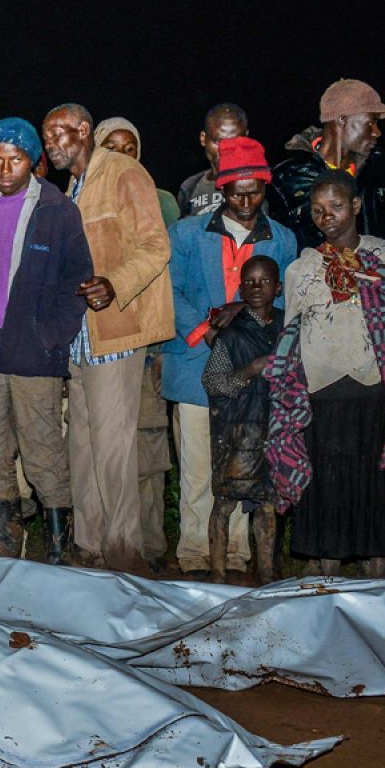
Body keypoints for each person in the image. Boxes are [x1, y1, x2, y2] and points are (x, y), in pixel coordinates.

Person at [42, 103, 172, 574]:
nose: (51, 143)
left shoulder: (122, 172)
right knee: (82, 444)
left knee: (114, 446)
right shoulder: (71, 188)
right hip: (80, 337)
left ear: (84, 130)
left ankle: (123, 551)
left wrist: (115, 283)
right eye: (47, 137)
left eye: (59, 132)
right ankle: (89, 546)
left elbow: (156, 246)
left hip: (116, 329)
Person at [162, 137, 297, 580]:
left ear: (264, 187)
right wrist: (206, 330)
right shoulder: (186, 234)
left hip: (251, 372)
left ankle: (236, 552)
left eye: (254, 192)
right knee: (197, 465)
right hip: (194, 363)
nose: (245, 201)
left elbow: (285, 302)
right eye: (236, 193)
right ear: (221, 189)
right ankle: (195, 550)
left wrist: (251, 329)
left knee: (245, 459)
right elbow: (171, 291)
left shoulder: (282, 239)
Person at [265, 172, 385, 577]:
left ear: (356, 205)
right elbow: (292, 334)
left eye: (336, 206)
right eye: (318, 210)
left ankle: (376, 576)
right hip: (320, 392)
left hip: (373, 388)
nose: (327, 216)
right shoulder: (302, 269)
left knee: (373, 484)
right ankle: (328, 578)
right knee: (325, 485)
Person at [0, 119, 91, 563]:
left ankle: (59, 553)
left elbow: (78, 278)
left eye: (15, 159)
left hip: (34, 352)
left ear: (33, 161)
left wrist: (50, 336)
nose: (5, 168)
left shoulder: (56, 211)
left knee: (43, 456)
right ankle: (2, 551)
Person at [201, 256, 283, 585]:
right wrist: (250, 371)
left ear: (278, 288)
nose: (256, 287)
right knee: (225, 501)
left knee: (268, 503)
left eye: (264, 281)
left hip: (274, 429)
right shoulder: (232, 334)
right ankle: (217, 573)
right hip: (238, 430)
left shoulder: (286, 327)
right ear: (240, 288)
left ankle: (266, 573)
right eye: (249, 282)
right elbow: (212, 382)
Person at [269, 79, 385, 252]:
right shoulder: (289, 176)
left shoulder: (381, 166)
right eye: (371, 123)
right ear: (342, 120)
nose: (377, 132)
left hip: (377, 267)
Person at [94, 117, 181, 227]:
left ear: (137, 154)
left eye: (129, 149)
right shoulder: (83, 199)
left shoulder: (161, 200)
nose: (121, 156)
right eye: (111, 148)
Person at [177, 104, 249, 219]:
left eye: (235, 142)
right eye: (218, 142)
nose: (226, 150)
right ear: (203, 138)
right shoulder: (190, 187)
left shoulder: (261, 185)